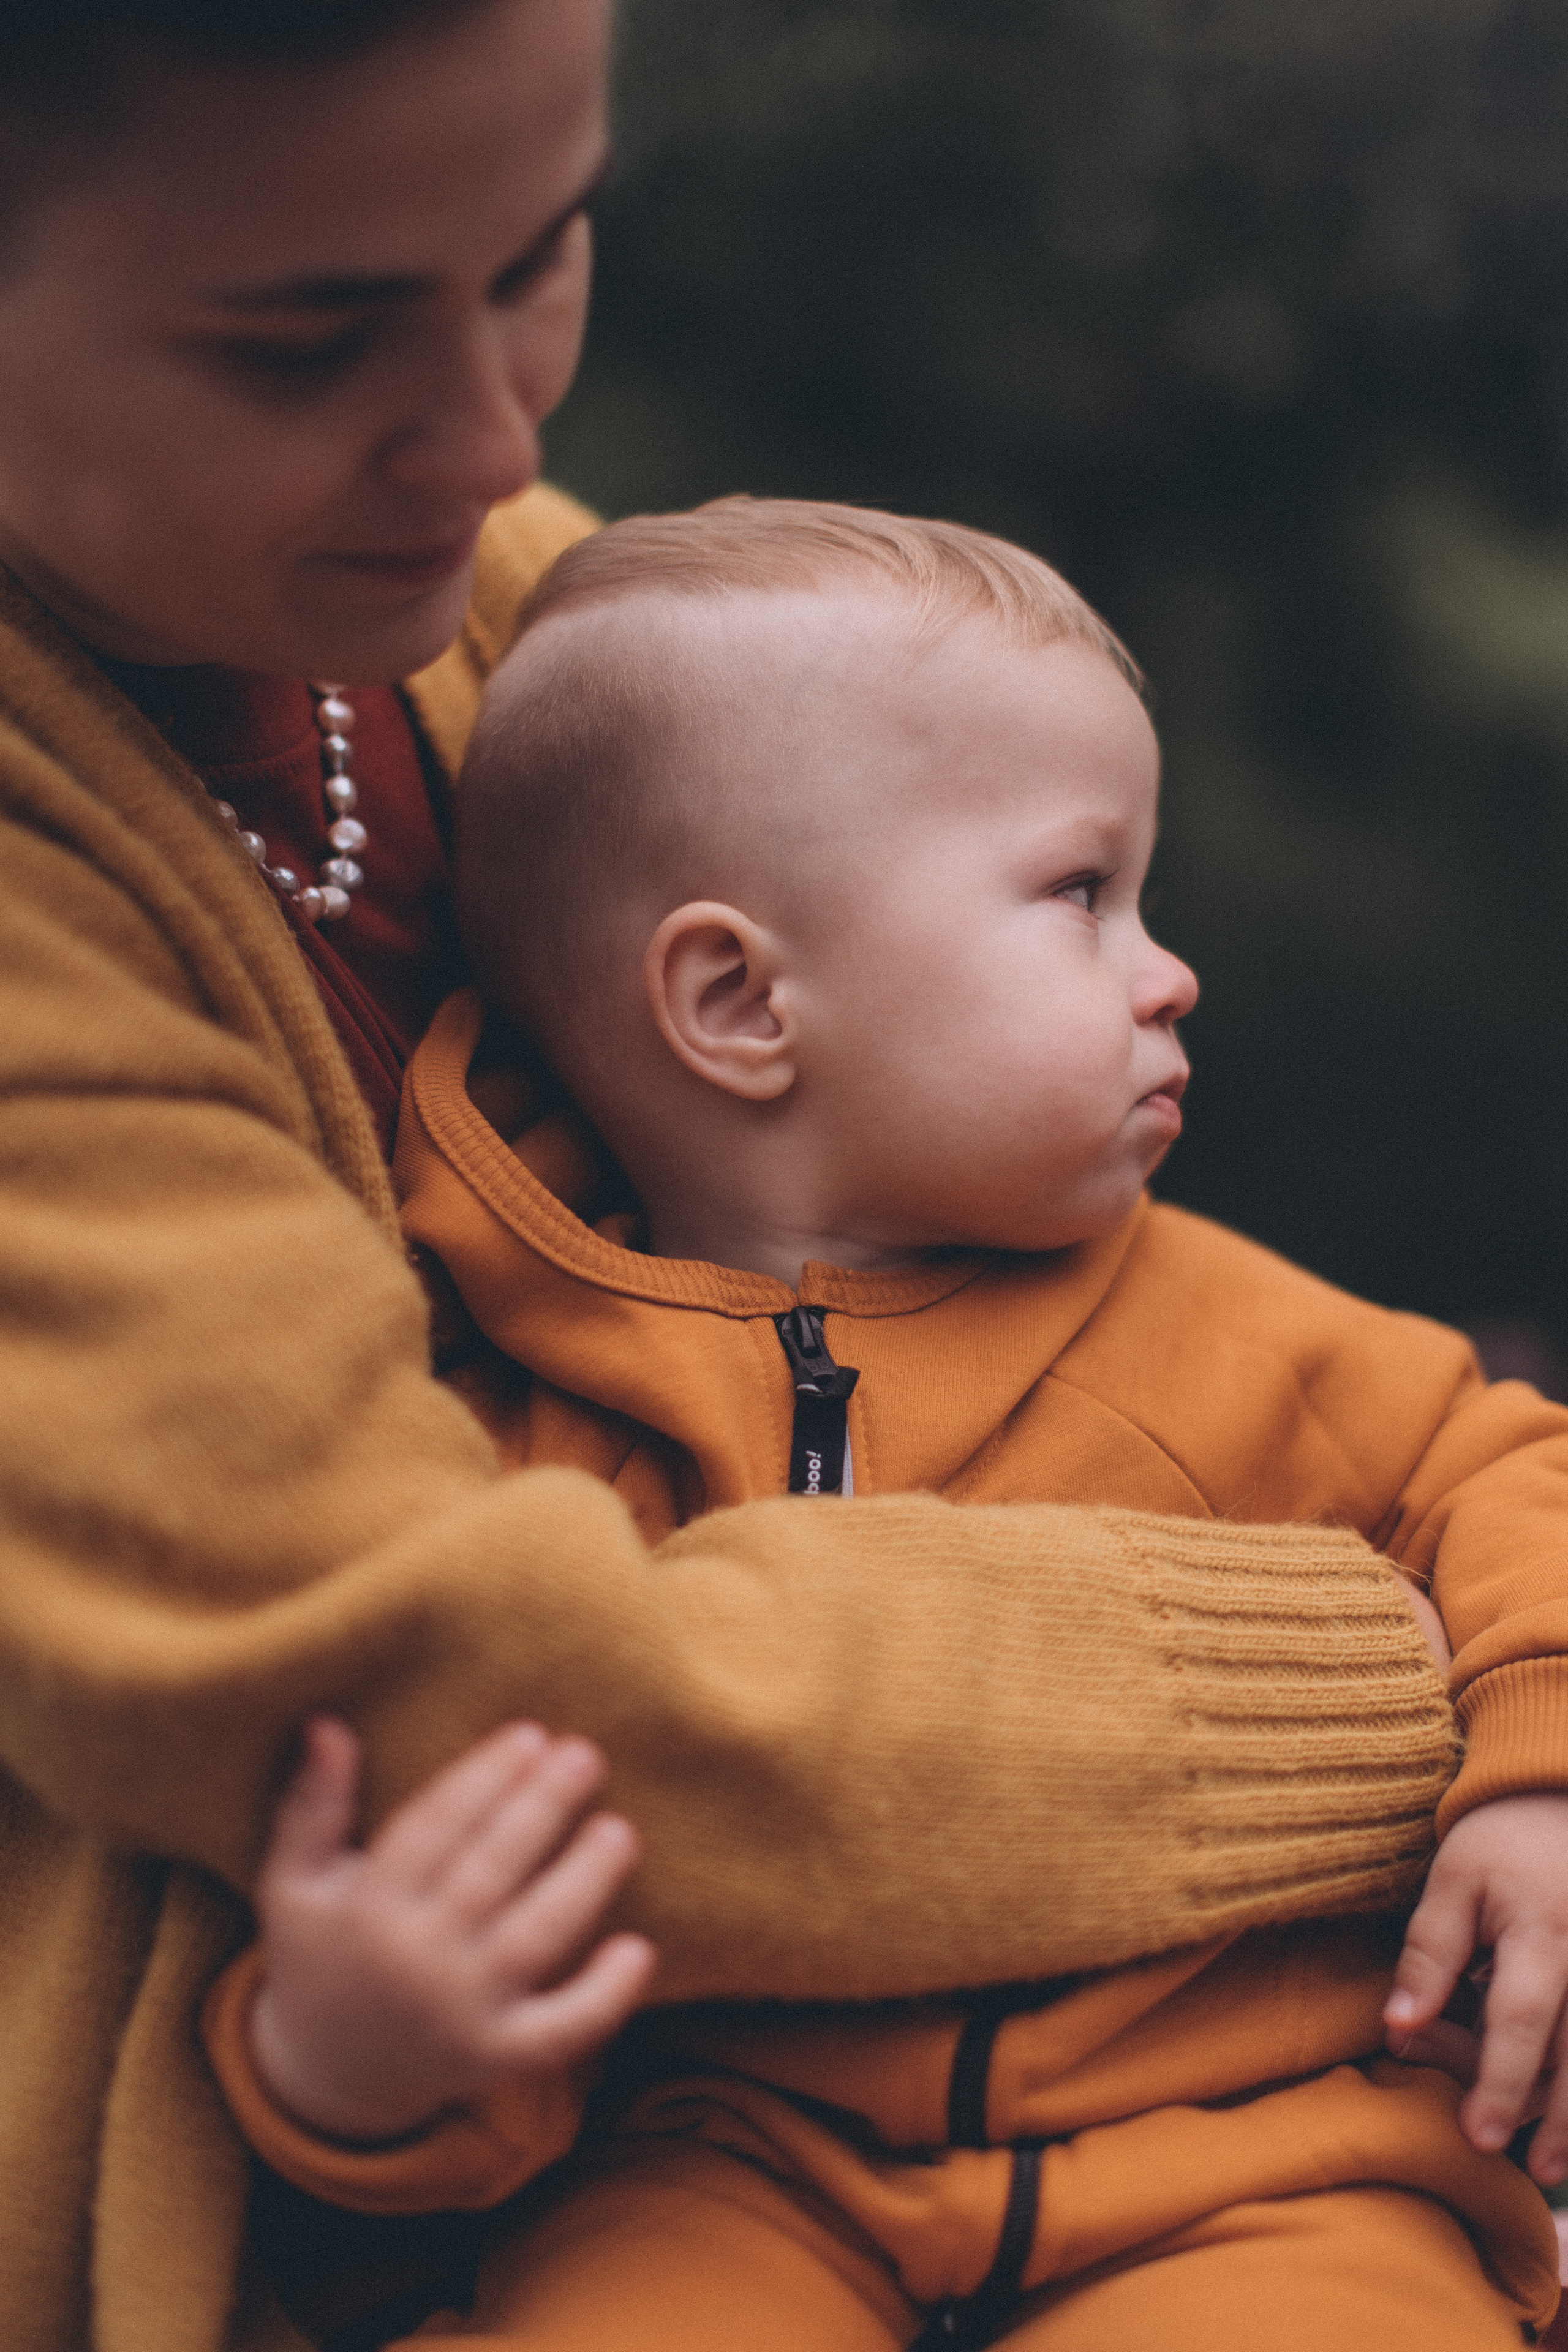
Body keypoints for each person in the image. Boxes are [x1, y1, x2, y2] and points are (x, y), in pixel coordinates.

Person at [0, 6, 1471, 2349]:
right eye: (305, 340)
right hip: (621, 2184)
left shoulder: (536, 628)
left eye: (537, 253)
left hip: (1243, 2175)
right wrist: (1406, 1685)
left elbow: (1472, 1456)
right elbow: (474, 1757)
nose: (499, 444)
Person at [198, 502, 1568, 2350]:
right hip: (724, 2180)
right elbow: (504, 1899)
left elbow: (1517, 1474)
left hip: (1259, 2160)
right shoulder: (515, 1458)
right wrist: (355, 2066)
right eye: (1081, 894)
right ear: (740, 1001)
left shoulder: (1225, 1325)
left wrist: (1541, 1777)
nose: (1167, 970)